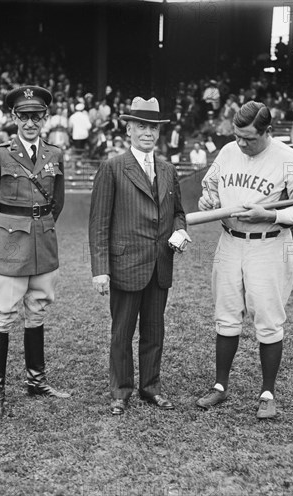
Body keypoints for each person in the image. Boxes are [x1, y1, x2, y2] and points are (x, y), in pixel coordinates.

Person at [195, 101, 293, 419]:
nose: (242, 143)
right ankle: (220, 387)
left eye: (249, 138)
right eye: (238, 136)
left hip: (269, 244)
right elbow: (209, 188)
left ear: (267, 131)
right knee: (226, 314)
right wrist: (208, 198)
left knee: (267, 318)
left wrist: (272, 213)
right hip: (230, 242)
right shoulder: (227, 152)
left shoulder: (290, 160)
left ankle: (267, 393)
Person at [0, 85, 70, 420]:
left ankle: (36, 380)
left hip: (43, 242)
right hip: (9, 245)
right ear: (13, 117)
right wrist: (0, 238)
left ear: (45, 118)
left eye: (36, 116)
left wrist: (40, 226)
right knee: (3, 315)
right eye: (23, 116)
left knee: (38, 310)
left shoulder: (54, 155)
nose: (30, 122)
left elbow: (57, 201)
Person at [89, 97, 190, 415]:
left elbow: (179, 213)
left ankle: (151, 387)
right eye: (141, 126)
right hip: (124, 265)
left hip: (160, 263)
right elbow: (99, 223)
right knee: (121, 332)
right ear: (129, 128)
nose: (148, 132)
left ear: (160, 132)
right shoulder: (112, 167)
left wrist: (180, 230)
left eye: (153, 127)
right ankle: (120, 391)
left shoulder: (168, 169)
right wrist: (100, 269)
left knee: (154, 330)